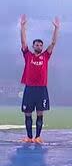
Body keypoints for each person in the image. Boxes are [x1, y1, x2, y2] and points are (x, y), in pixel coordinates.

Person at [19, 15, 60, 144]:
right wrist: (22, 27)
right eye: (37, 44)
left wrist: (56, 29)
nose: (39, 46)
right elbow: (23, 42)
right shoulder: (28, 55)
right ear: (33, 46)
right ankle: (29, 137)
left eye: (41, 45)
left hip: (41, 89)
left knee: (40, 113)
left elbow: (53, 43)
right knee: (27, 113)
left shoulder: (45, 56)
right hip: (29, 88)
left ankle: (38, 136)